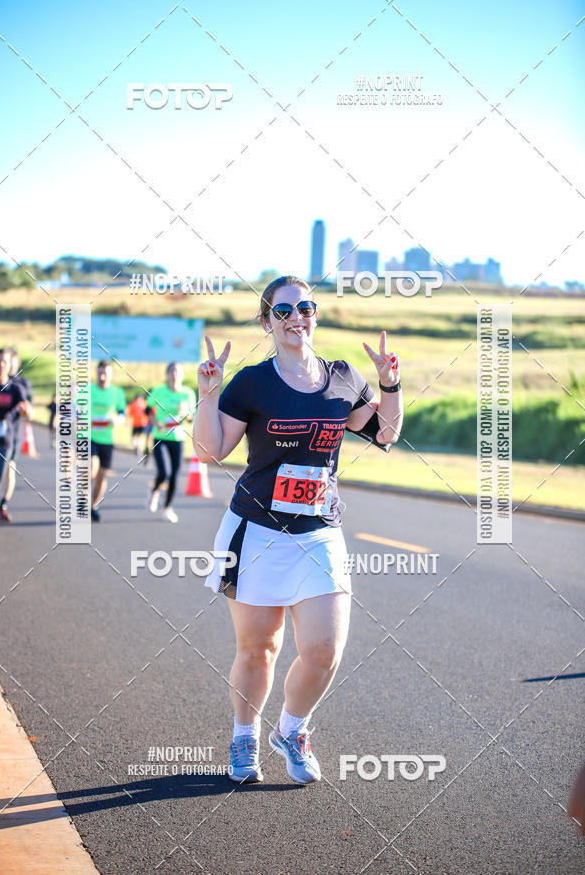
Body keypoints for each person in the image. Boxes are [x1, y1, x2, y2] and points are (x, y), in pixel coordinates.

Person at [192, 275, 403, 785]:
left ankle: (292, 729)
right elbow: (210, 451)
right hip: (255, 531)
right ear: (267, 322)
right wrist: (208, 394)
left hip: (318, 532)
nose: (295, 318)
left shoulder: (342, 377)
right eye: (283, 311)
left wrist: (389, 384)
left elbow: (386, 434)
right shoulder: (252, 382)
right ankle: (244, 736)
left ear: (315, 315)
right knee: (259, 648)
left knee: (324, 650)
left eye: (304, 308)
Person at [0, 348, 33, 540]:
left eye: (4, 361)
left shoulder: (15, 388)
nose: (1, 365)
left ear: (9, 365)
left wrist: (26, 411)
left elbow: (28, 411)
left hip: (5, 442)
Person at [146, 363, 196, 524]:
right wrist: (155, 422)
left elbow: (191, 417)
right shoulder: (158, 391)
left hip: (178, 438)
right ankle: (154, 490)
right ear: (167, 374)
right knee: (163, 472)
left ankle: (167, 508)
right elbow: (147, 410)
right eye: (172, 371)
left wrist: (186, 413)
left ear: (182, 375)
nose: (175, 374)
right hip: (160, 437)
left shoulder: (188, 393)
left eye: (178, 371)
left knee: (174, 475)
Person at [0, 349, 34, 523]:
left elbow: (30, 410)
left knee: (9, 470)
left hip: (13, 434)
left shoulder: (22, 384)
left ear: (17, 363)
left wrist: (26, 411)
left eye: (10, 361)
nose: (7, 364)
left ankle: (2, 505)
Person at [90, 360, 126, 522]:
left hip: (107, 439)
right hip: (89, 436)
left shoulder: (117, 392)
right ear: (96, 373)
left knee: (102, 476)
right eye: (100, 373)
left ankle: (94, 506)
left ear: (111, 375)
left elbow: (122, 413)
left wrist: (118, 419)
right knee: (92, 466)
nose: (102, 377)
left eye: (105, 373)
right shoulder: (88, 390)